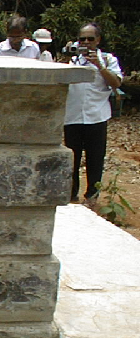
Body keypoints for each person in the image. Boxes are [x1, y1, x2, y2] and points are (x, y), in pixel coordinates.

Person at [64, 22, 123, 205]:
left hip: (97, 116)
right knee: (72, 158)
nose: (86, 42)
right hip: (72, 116)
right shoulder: (72, 60)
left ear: (98, 40)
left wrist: (99, 65)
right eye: (83, 39)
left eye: (91, 38)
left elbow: (116, 83)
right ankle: (71, 195)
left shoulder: (107, 59)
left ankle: (92, 197)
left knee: (95, 158)